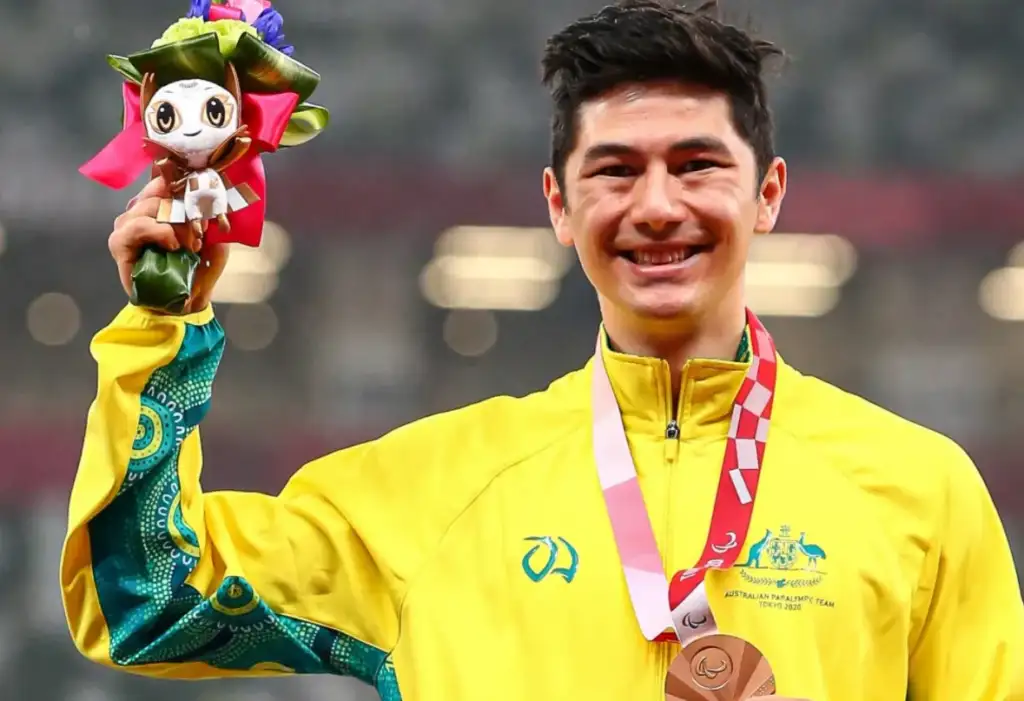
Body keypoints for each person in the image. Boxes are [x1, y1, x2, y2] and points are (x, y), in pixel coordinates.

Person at [60, 1, 1024, 699]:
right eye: (615, 171)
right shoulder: (431, 493)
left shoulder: (921, 490)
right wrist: (163, 328)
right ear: (559, 205)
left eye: (697, 165)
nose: (657, 205)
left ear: (767, 193)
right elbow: (149, 601)